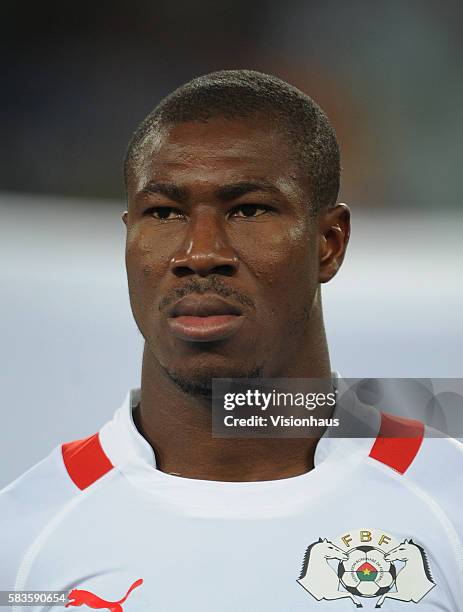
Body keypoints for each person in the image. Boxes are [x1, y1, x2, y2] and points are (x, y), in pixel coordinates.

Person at [1, 70, 462, 611]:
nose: (199, 253)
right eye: (164, 213)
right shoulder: (23, 540)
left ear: (329, 243)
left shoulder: (449, 507)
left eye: (247, 209)